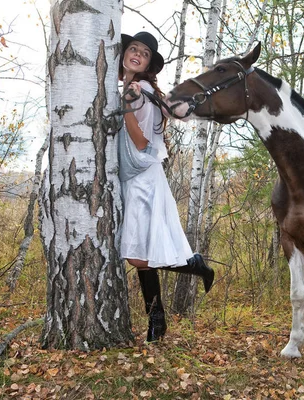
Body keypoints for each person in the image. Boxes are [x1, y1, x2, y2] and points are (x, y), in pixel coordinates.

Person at [117, 31, 214, 342]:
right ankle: (156, 323)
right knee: (142, 255)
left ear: (148, 65)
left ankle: (194, 264)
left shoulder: (138, 91)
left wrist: (127, 110)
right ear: (123, 55)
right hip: (139, 175)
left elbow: (141, 141)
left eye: (143, 53)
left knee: (136, 255)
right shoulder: (132, 89)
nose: (136, 54)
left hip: (143, 178)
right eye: (132, 48)